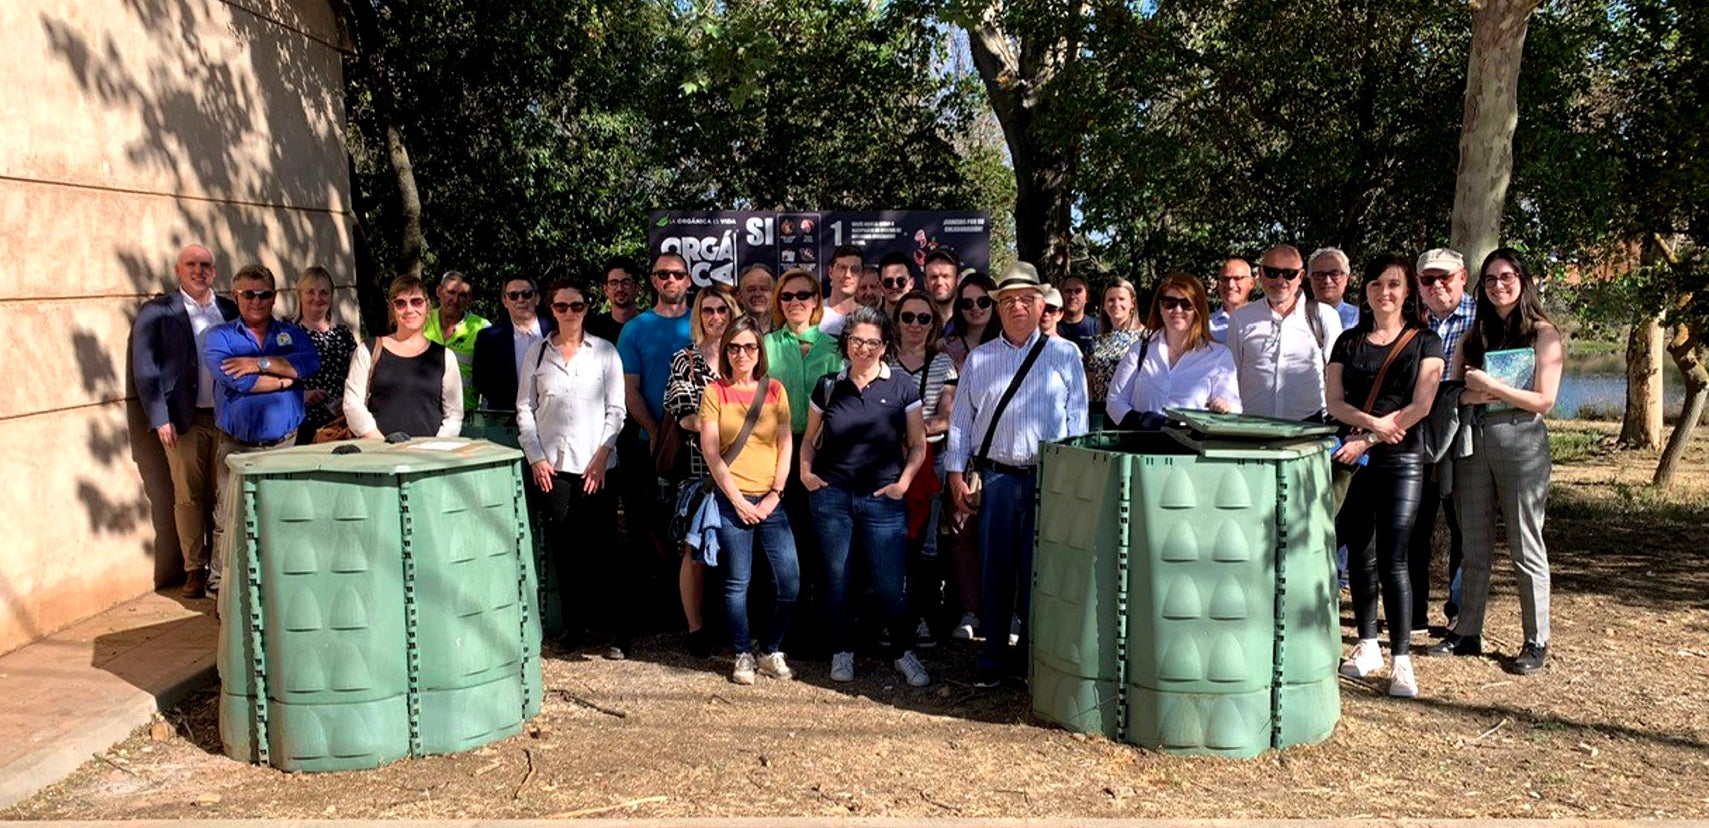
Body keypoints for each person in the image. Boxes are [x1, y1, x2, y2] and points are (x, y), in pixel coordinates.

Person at [946, 262, 1089, 688]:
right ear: (997, 308)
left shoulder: (1065, 355)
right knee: (996, 571)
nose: (1017, 307)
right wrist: (956, 473)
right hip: (997, 479)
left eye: (1026, 299)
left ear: (1042, 304)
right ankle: (993, 661)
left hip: (1049, 478)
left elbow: (1078, 422)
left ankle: (1031, 662)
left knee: (1039, 572)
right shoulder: (980, 358)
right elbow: (960, 422)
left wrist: (1074, 481)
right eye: (1008, 301)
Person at [1430, 248, 1562, 675]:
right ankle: (1467, 630)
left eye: (1506, 277)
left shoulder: (1543, 333)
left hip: (1521, 441)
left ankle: (1536, 639)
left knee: (1526, 542)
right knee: (1474, 543)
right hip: (1472, 440)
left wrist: (1493, 388)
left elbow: (1544, 400)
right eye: (1489, 279)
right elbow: (1448, 392)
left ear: (1523, 280)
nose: (1498, 285)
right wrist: (1470, 394)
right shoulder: (1474, 334)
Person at [1325, 254, 1444, 699]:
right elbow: (1334, 401)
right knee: (1360, 553)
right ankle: (1368, 644)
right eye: (1376, 285)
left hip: (1401, 458)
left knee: (1395, 557)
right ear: (1366, 291)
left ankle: (1402, 659)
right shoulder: (1348, 341)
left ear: (1407, 290)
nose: (1385, 293)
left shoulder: (1425, 342)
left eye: (1393, 284)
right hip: (1355, 456)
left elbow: (1422, 405)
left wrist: (1371, 439)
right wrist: (1371, 427)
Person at [801, 306, 931, 686]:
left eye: (873, 342)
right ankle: (842, 651)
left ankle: (903, 652)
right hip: (833, 496)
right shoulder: (828, 385)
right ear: (846, 343)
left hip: (883, 498)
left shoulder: (903, 386)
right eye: (857, 340)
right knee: (839, 579)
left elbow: (918, 445)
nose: (864, 348)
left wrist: (903, 484)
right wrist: (806, 474)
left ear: (885, 345)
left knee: (891, 583)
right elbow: (809, 440)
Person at [517, 280, 627, 656]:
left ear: (586, 308)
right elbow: (525, 410)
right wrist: (535, 456)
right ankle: (575, 628)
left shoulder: (605, 353)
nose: (569, 313)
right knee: (565, 551)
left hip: (597, 466)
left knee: (605, 549)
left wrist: (601, 455)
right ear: (551, 309)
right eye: (561, 306)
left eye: (576, 306)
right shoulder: (537, 354)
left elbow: (616, 410)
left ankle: (618, 632)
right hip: (553, 467)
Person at [131, 244, 237, 598]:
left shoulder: (229, 309)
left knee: (224, 495)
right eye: (191, 264)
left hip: (226, 418)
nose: (199, 270)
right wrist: (160, 417)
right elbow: (145, 369)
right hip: (183, 421)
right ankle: (195, 569)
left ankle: (222, 570)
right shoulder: (158, 312)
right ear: (178, 270)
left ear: (215, 271)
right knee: (189, 497)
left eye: (206, 264)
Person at [203, 264, 319, 588]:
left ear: (274, 297)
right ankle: (220, 584)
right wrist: (285, 380)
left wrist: (259, 363)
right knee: (228, 517)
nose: (257, 300)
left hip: (284, 445)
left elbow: (309, 363)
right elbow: (239, 382)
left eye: (264, 294)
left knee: (282, 517)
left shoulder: (291, 334)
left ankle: (279, 583)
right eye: (248, 294)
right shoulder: (219, 337)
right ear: (235, 296)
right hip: (235, 446)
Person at [700, 317, 800, 685]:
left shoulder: (774, 390)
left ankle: (770, 648)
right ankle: (742, 652)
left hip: (771, 500)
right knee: (736, 582)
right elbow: (711, 451)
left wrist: (776, 492)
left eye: (750, 347)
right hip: (731, 500)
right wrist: (739, 500)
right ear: (725, 351)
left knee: (789, 581)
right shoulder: (715, 392)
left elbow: (786, 442)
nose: (742, 354)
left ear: (760, 351)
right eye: (734, 347)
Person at [663, 285, 741, 658]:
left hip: (746, 469)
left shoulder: (745, 357)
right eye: (708, 311)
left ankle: (735, 625)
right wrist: (732, 424)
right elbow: (686, 417)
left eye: (722, 310)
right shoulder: (686, 360)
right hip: (699, 470)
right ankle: (696, 629)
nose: (715, 318)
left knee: (736, 551)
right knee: (695, 550)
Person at [763, 269, 844, 626]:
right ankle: (784, 621)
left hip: (823, 451)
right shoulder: (765, 345)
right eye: (787, 296)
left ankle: (820, 622)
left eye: (804, 295)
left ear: (816, 301)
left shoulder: (834, 347)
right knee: (784, 536)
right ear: (778, 302)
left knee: (821, 537)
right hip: (775, 450)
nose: (796, 302)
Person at [1409, 247, 1478, 631]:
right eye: (1428, 279)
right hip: (1419, 436)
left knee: (1465, 529)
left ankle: (1459, 614)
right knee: (1413, 526)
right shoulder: (1412, 324)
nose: (1437, 286)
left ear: (1462, 278)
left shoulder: (1484, 320)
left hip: (1465, 435)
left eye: (1445, 277)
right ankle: (1413, 614)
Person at [615, 252, 695, 568]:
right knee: (649, 525)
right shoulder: (635, 329)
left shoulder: (705, 322)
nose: (670, 280)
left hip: (700, 444)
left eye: (676, 274)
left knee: (695, 527)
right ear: (652, 281)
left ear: (688, 279)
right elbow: (629, 389)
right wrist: (654, 431)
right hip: (649, 442)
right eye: (662, 274)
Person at [890, 291, 958, 650]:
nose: (915, 324)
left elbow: (946, 417)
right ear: (897, 320)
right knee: (889, 540)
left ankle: (921, 619)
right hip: (888, 462)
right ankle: (891, 617)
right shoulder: (883, 360)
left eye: (924, 318)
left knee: (927, 544)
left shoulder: (944, 364)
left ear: (933, 324)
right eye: (908, 317)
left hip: (930, 462)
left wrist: (908, 431)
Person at [1225, 245, 1345, 419]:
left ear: (1301, 276)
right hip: (1252, 427)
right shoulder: (1241, 319)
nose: (1280, 280)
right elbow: (1230, 376)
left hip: (1309, 427)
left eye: (1289, 273)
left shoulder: (1325, 315)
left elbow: (1336, 377)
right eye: (1272, 272)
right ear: (1260, 274)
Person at [1105, 272, 1240, 425]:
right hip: (1142, 444)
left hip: (1191, 445)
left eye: (1186, 304)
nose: (1177, 310)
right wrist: (1142, 422)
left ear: (1198, 309)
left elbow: (1233, 407)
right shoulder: (1140, 350)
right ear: (1160, 308)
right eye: (1169, 303)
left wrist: (1224, 407)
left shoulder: (1219, 356)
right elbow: (1115, 400)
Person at [343, 276, 464, 439]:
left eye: (416, 302)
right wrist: (382, 444)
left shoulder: (445, 357)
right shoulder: (368, 350)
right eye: (401, 303)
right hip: (378, 456)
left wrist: (434, 448)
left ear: (427, 306)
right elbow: (352, 404)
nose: (409, 309)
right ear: (392, 309)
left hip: (429, 458)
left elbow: (454, 415)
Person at [291, 266, 357, 444]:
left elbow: (358, 375)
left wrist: (348, 400)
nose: (317, 298)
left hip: (338, 425)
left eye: (323, 293)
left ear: (331, 296)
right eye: (310, 292)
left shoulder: (343, 334)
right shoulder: (287, 333)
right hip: (300, 424)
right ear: (300, 295)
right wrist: (303, 395)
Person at [472, 276, 555, 415]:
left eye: (527, 294)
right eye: (513, 295)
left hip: (551, 416)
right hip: (506, 420)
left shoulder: (555, 331)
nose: (520, 300)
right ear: (505, 301)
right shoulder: (488, 338)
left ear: (537, 298)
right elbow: (481, 380)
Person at [1084, 278, 1147, 429]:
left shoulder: (1147, 338)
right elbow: (1090, 385)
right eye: (1111, 300)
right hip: (1100, 416)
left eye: (1121, 299)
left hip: (1131, 415)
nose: (1116, 304)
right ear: (1104, 306)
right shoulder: (1096, 342)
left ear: (1132, 303)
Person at [422, 270, 490, 412]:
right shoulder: (422, 321)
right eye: (451, 292)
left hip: (463, 415)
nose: (455, 300)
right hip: (423, 412)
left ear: (470, 298)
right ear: (439, 291)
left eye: (462, 295)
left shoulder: (482, 329)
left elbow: (490, 381)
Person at [940, 273, 998, 370]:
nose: (975, 307)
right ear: (959, 307)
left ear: (994, 304)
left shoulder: (1008, 345)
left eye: (983, 302)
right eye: (967, 303)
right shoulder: (944, 347)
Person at [586, 258, 642, 344]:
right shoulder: (593, 331)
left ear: (637, 287)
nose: (620, 288)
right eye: (614, 283)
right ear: (606, 289)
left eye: (626, 282)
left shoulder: (651, 327)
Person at [1308, 247, 1361, 331]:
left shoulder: (1361, 319)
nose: (1327, 281)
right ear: (1311, 280)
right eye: (1320, 275)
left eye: (1335, 274)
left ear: (1346, 279)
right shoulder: (1297, 318)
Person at [819, 245, 865, 337]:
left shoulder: (868, 318)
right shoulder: (814, 313)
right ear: (831, 272)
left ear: (861, 276)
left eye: (855, 270)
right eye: (842, 268)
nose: (848, 275)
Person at [1209, 258, 1255, 344]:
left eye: (1237, 278)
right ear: (1218, 285)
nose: (1231, 285)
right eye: (1225, 279)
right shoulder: (1205, 326)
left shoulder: (1263, 320)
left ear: (1251, 283)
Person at [1055, 274, 1099, 355]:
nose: (1072, 296)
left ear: (1087, 297)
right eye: (1068, 291)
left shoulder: (1097, 328)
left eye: (1078, 291)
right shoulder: (1051, 327)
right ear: (1060, 296)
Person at [921, 249, 961, 324]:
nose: (939, 282)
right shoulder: (916, 324)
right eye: (934, 277)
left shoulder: (971, 322)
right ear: (925, 282)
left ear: (958, 280)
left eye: (946, 276)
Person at [737, 263, 777, 333]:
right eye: (751, 289)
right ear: (741, 296)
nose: (757, 294)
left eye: (764, 289)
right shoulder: (732, 332)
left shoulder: (789, 331)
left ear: (774, 294)